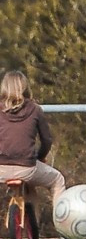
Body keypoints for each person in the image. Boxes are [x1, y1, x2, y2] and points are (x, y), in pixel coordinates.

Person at [0, 71, 66, 211]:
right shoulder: (35, 110)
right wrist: (40, 156)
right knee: (57, 180)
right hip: (27, 167)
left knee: (28, 183)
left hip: (1, 168)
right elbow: (47, 140)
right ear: (25, 87)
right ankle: (62, 226)